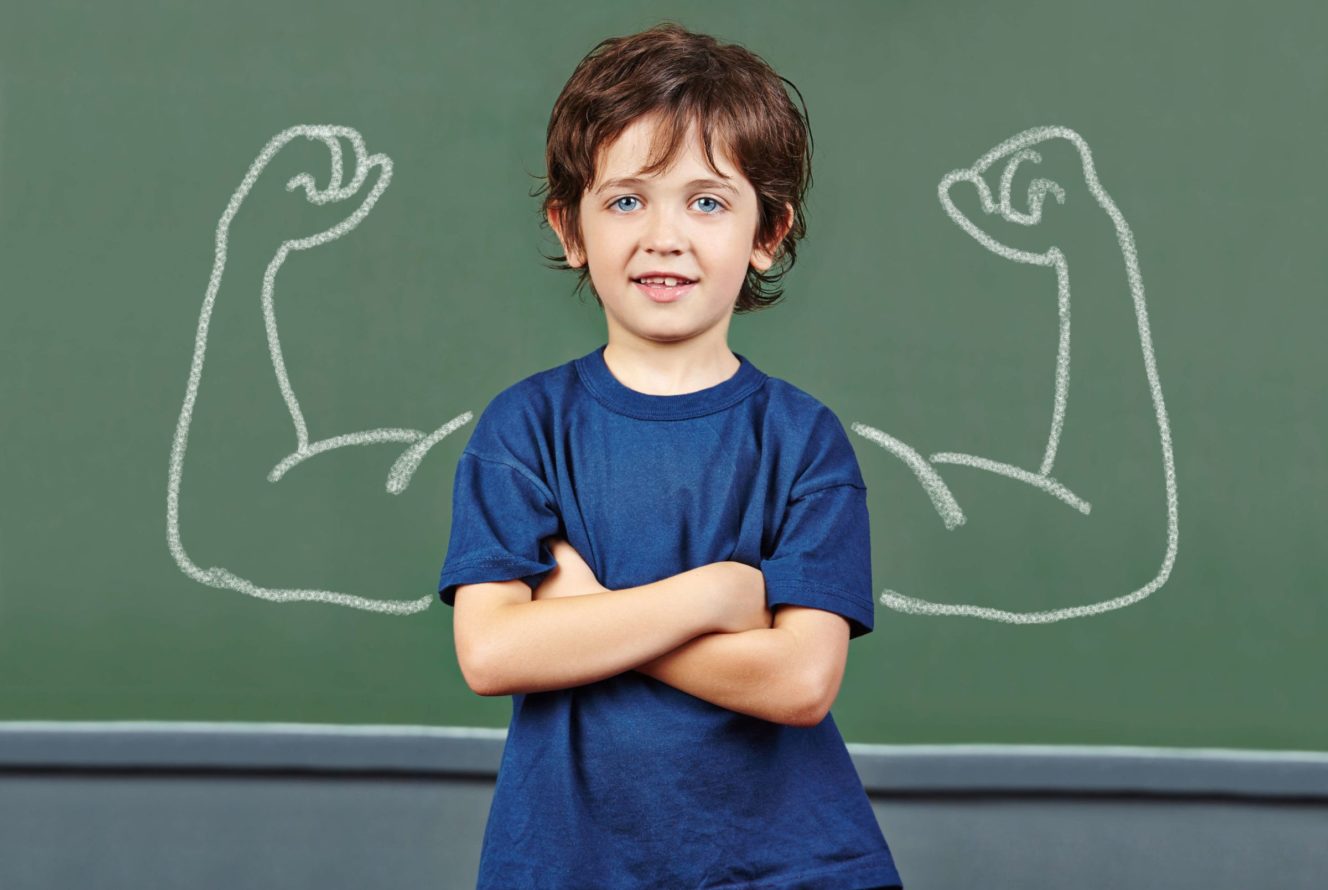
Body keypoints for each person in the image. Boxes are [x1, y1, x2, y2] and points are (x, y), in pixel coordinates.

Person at [437, 20, 904, 890]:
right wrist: (714, 594)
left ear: (769, 233)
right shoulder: (523, 430)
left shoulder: (804, 441)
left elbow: (800, 679)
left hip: (790, 865)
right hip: (570, 863)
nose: (664, 235)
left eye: (708, 201)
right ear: (569, 228)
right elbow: (492, 654)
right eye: (625, 200)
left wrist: (588, 614)